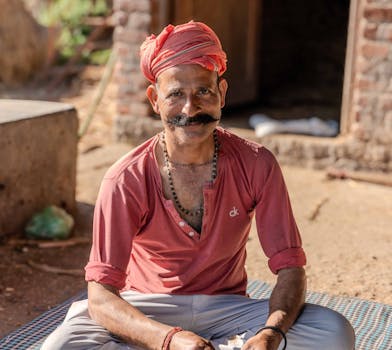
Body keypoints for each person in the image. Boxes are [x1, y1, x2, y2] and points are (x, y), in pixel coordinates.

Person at [42, 21, 355, 350]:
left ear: (221, 94)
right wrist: (168, 339)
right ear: (154, 100)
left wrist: (269, 335)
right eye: (175, 94)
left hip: (227, 308)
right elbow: (102, 296)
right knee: (62, 346)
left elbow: (290, 268)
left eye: (203, 91)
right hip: (147, 307)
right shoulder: (125, 178)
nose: (190, 109)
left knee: (333, 331)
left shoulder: (257, 164)